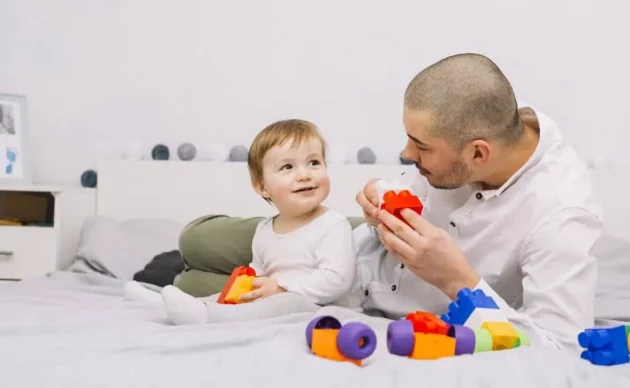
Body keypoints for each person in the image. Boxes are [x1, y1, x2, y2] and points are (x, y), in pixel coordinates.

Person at [354, 53, 603, 352]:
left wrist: (455, 279)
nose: (407, 154)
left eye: (420, 146)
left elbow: (563, 347)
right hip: (353, 266)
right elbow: (413, 186)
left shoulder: (561, 215)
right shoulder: (483, 117)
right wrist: (378, 201)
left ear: (478, 155)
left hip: (406, 324)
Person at [124, 119, 359, 324]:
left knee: (285, 302)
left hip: (318, 307)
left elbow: (337, 280)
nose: (305, 174)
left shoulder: (333, 224)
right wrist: (247, 288)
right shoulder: (265, 229)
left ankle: (209, 316)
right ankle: (167, 304)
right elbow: (257, 272)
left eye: (314, 163)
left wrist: (281, 287)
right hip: (275, 295)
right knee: (235, 294)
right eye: (287, 166)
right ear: (262, 187)